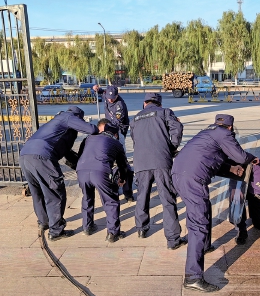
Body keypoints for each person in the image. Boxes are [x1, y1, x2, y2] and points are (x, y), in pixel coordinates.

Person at [172, 114, 258, 292]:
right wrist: (252, 158)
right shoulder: (224, 134)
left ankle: (204, 246)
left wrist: (230, 169)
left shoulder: (206, 134)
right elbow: (241, 157)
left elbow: (209, 160)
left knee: (202, 210)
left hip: (180, 174)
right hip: (193, 179)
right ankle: (193, 277)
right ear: (230, 127)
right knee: (199, 224)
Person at [19, 106, 99, 241]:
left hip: (25, 155)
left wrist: (81, 167)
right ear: (77, 117)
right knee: (55, 192)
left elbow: (67, 155)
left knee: (37, 191)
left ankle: (44, 222)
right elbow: (92, 129)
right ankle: (56, 230)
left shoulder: (57, 125)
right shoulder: (67, 117)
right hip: (42, 157)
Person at [130, 93, 186, 249]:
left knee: (142, 196)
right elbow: (177, 128)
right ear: (159, 104)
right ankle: (173, 239)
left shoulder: (135, 119)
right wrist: (171, 148)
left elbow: (135, 140)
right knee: (167, 198)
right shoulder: (165, 112)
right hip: (161, 160)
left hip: (141, 162)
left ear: (144, 103)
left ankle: (141, 228)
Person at [76, 119, 129, 242]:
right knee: (110, 201)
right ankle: (113, 233)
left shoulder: (88, 138)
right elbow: (122, 165)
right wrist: (122, 178)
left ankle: (87, 227)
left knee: (87, 198)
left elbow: (80, 155)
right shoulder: (116, 143)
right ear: (115, 135)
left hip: (81, 170)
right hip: (100, 171)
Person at [103, 85, 134, 202]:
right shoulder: (106, 96)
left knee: (122, 161)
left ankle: (127, 192)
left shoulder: (120, 105)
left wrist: (111, 133)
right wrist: (97, 89)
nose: (110, 100)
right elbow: (102, 92)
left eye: (113, 98)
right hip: (108, 130)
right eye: (108, 98)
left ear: (117, 95)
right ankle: (112, 189)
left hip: (118, 131)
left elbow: (117, 123)